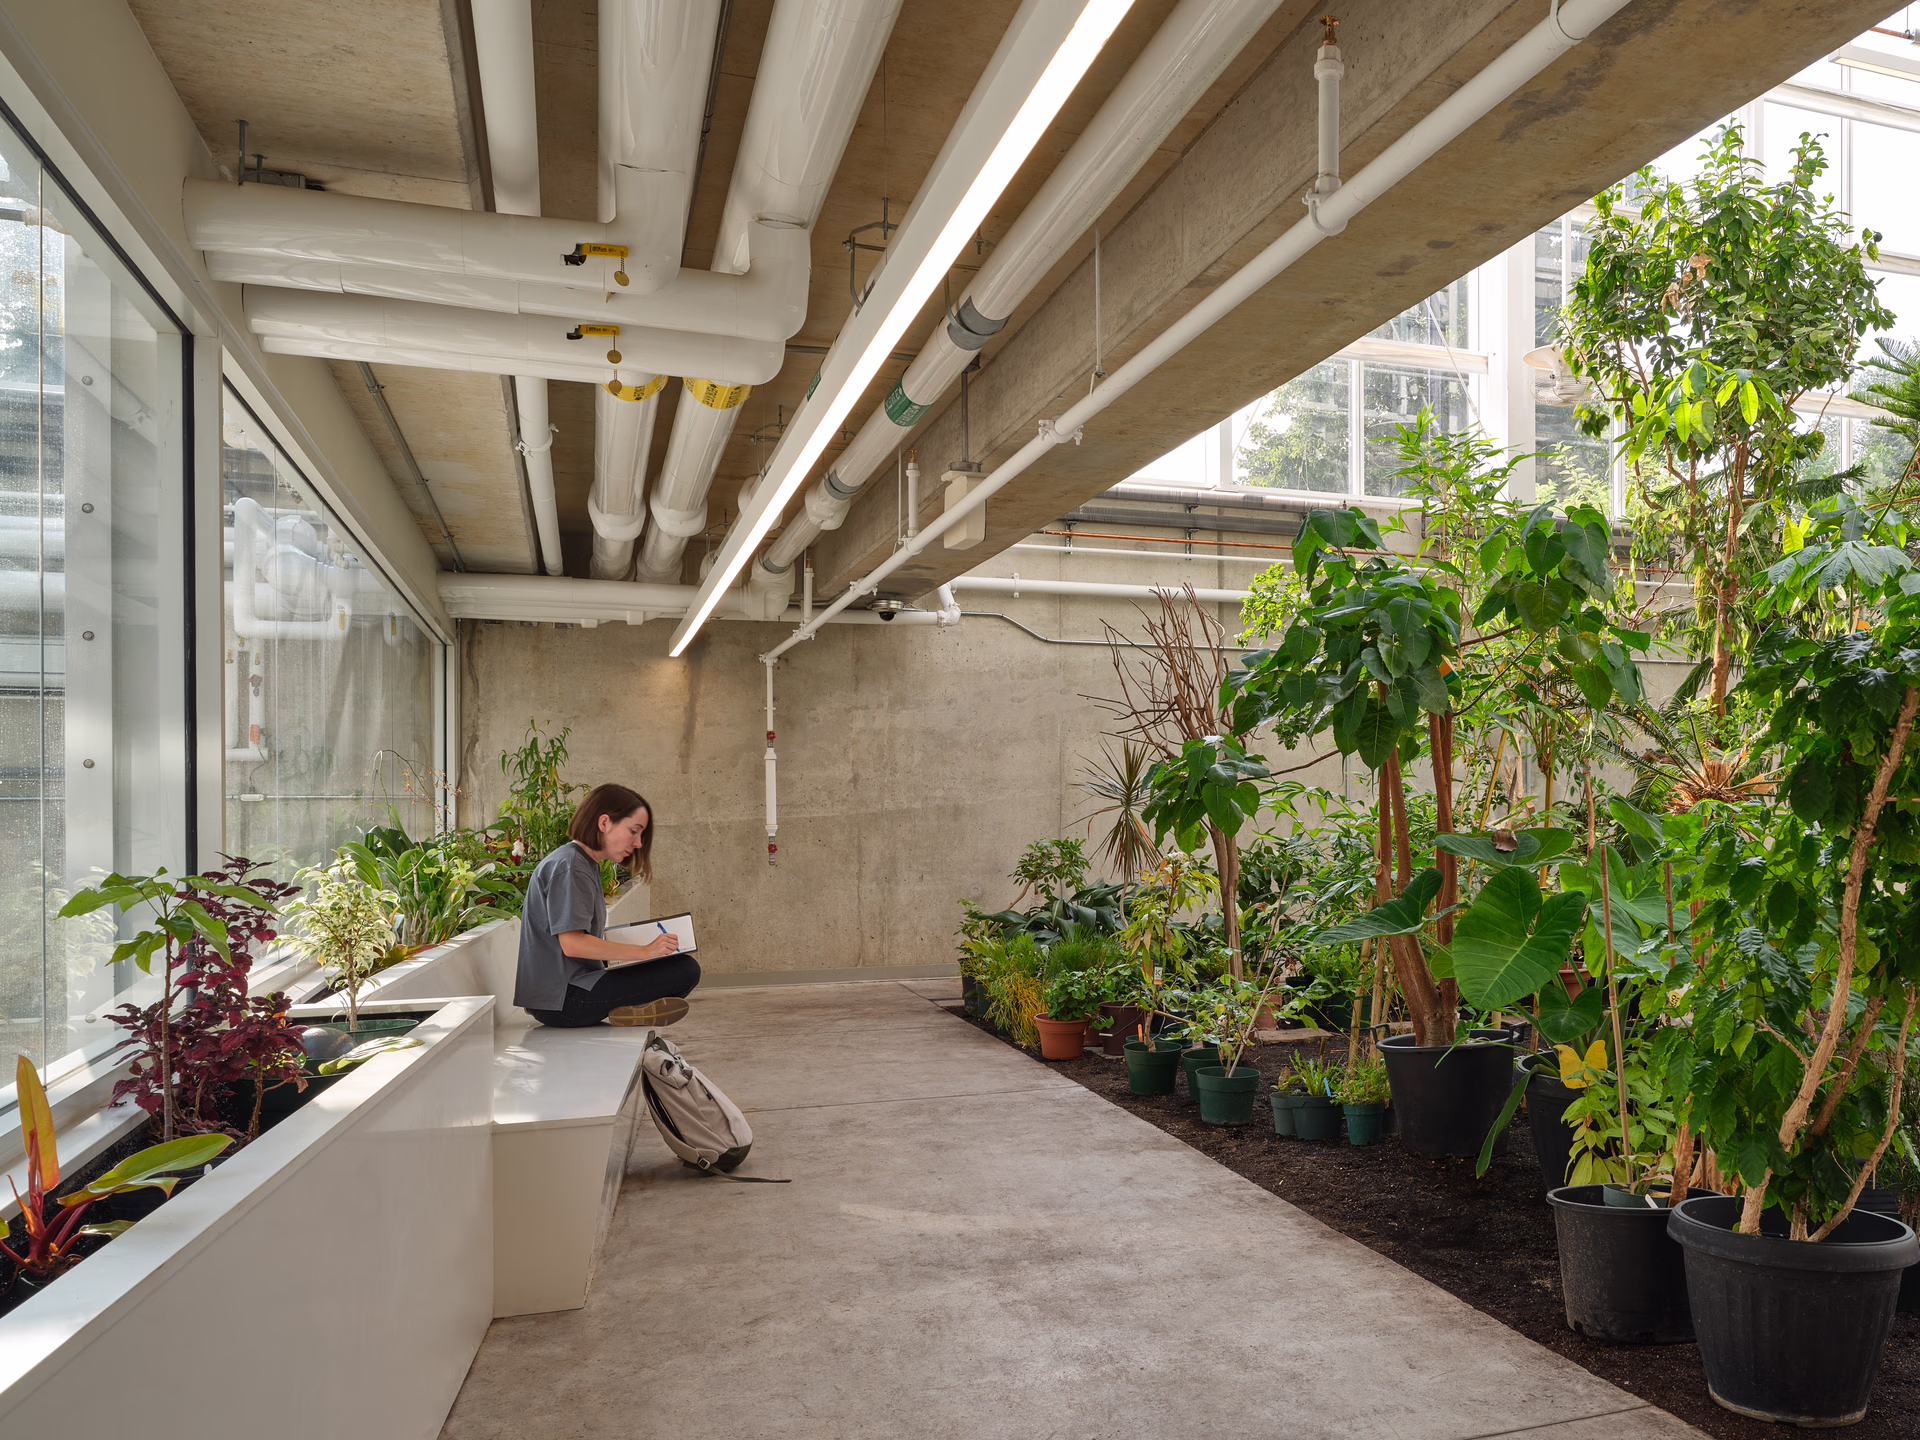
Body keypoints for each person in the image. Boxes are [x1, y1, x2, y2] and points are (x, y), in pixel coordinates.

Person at [513, 783, 700, 1028]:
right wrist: (645, 951)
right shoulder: (570, 867)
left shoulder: (579, 862)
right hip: (564, 1000)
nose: (639, 843)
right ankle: (632, 1008)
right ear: (604, 823)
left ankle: (632, 1009)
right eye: (634, 831)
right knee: (684, 970)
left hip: (566, 991)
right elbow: (572, 944)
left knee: (677, 965)